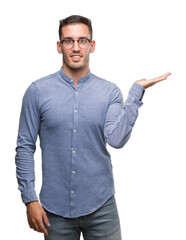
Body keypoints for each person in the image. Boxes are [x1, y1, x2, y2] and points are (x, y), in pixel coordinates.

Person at [15, 15, 171, 240]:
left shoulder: (110, 92)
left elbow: (116, 139)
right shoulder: (37, 91)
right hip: (54, 210)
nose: (76, 47)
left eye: (82, 40)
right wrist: (29, 198)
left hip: (101, 208)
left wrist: (135, 93)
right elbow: (25, 146)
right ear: (59, 46)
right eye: (68, 41)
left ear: (92, 45)